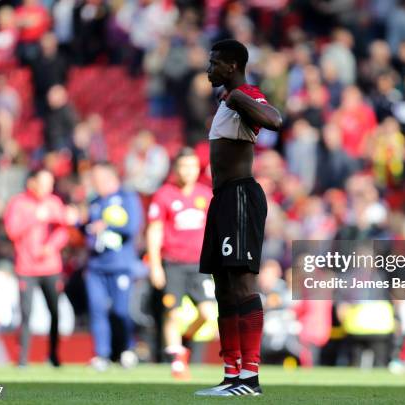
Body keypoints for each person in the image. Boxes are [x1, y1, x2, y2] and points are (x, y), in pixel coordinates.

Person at [194, 39, 282, 397]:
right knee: (223, 289)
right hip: (223, 200)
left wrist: (238, 98)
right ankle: (232, 375)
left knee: (243, 286)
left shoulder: (245, 93)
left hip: (241, 197)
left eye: (213, 62)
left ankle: (250, 377)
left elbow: (275, 119)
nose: (208, 68)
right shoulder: (228, 98)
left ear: (231, 65)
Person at [147, 147, 215, 379]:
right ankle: (177, 361)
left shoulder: (205, 195)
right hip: (173, 264)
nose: (188, 171)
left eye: (192, 166)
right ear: (176, 169)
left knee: (207, 314)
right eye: (184, 166)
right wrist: (155, 265)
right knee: (172, 313)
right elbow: (154, 231)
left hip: (199, 265)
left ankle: (183, 339)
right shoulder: (164, 195)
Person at [4, 168, 75, 367]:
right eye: (45, 183)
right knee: (26, 313)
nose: (49, 188)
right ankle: (22, 359)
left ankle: (53, 355)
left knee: (55, 311)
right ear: (32, 183)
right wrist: (35, 217)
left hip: (50, 266)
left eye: (51, 184)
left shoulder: (54, 202)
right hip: (26, 268)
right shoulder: (18, 203)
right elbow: (12, 231)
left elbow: (63, 230)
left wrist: (50, 247)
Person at [83, 162, 143, 371]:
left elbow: (132, 227)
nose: (94, 183)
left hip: (120, 265)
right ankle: (102, 354)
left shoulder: (127, 198)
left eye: (97, 179)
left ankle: (126, 349)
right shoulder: (94, 201)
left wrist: (107, 226)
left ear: (111, 178)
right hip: (96, 265)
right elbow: (88, 230)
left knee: (120, 310)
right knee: (97, 309)